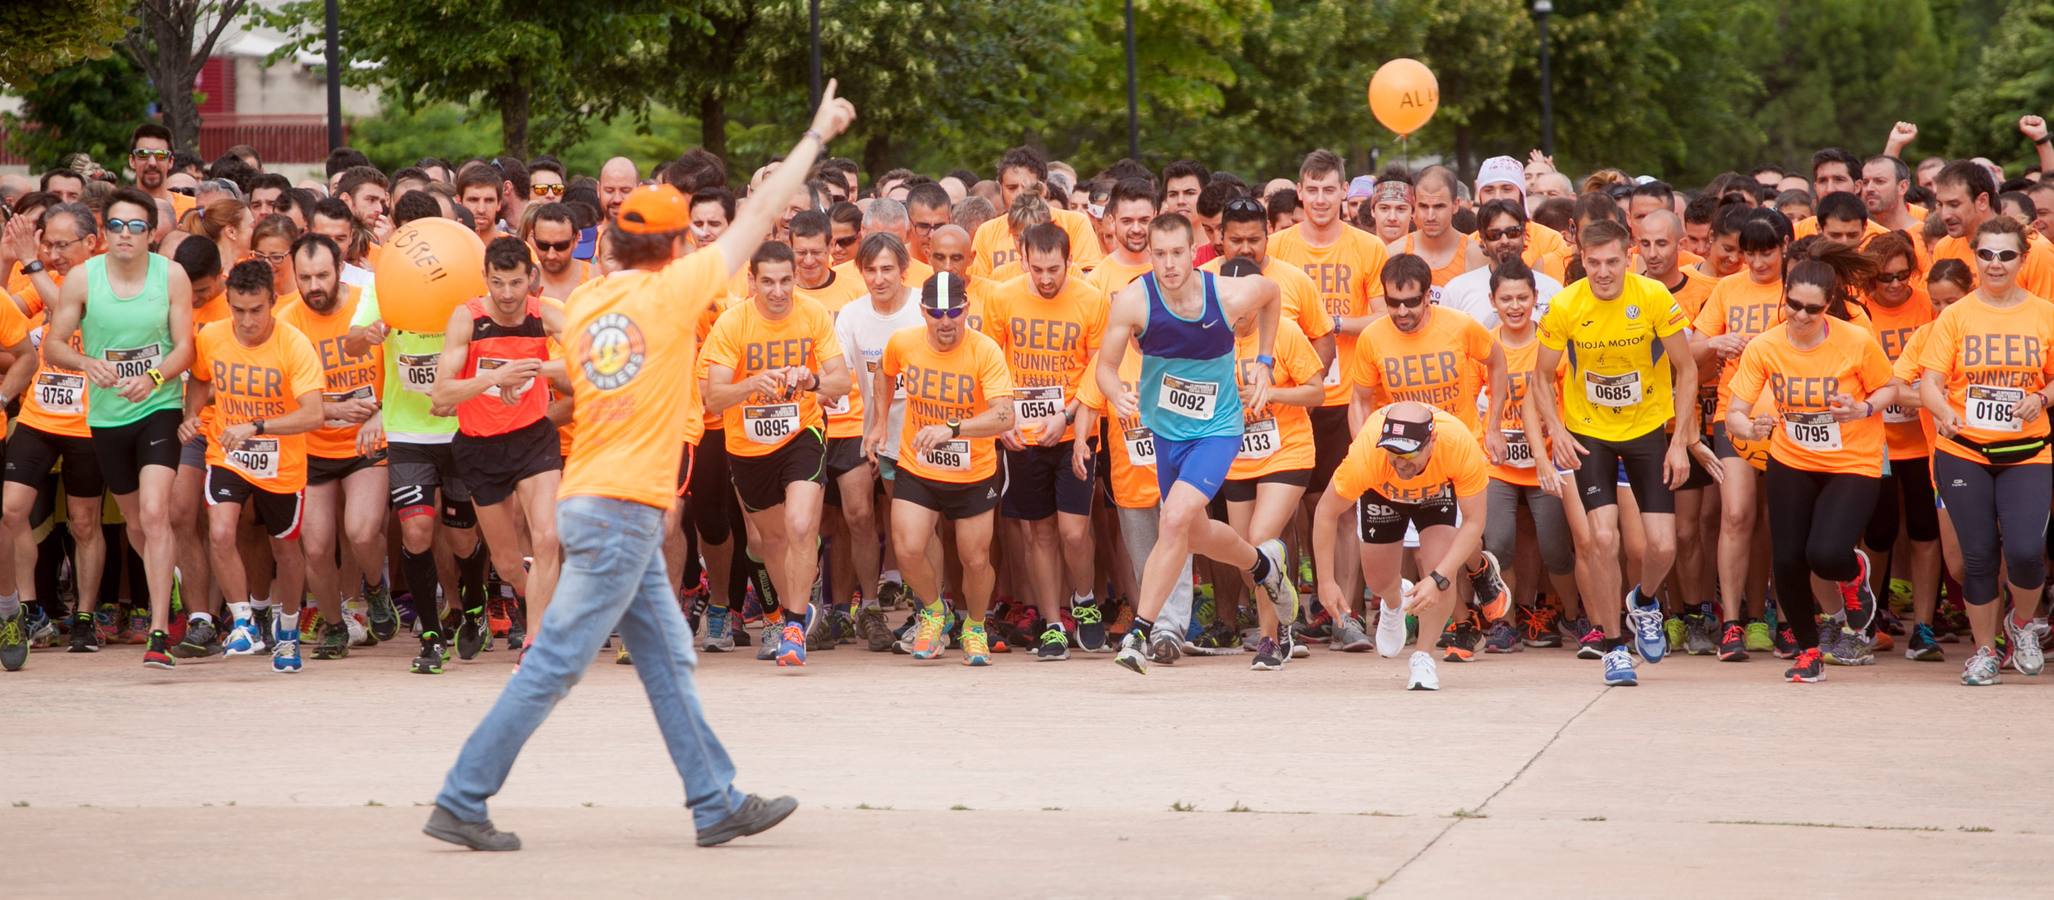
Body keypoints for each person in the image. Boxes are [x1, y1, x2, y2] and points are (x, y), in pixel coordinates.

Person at [424, 82, 854, 854]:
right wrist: (816, 134)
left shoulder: (588, 303)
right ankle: (461, 796)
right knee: (556, 663)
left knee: (668, 662)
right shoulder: (675, 291)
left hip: (596, 496)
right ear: (677, 244)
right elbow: (759, 217)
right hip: (623, 509)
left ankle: (715, 801)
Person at [1096, 212, 1297, 673]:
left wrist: (1264, 360)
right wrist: (1116, 393)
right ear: (1150, 255)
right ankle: (1265, 567)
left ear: (1194, 253)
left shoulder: (1226, 294)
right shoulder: (1133, 301)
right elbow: (1105, 367)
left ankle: (1140, 633)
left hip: (1218, 429)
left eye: (1176, 253)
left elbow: (1271, 295)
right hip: (1167, 432)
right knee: (1196, 532)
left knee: (1174, 518)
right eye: (1159, 254)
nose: (1168, 265)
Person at [1528, 219, 1698, 687]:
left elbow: (1686, 369)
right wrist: (1557, 430)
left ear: (1630, 257)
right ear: (1582, 260)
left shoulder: (1653, 298)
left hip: (1646, 428)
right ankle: (1612, 645)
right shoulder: (1565, 305)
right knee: (1603, 540)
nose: (1603, 272)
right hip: (1590, 433)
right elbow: (1540, 377)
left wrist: (1680, 440)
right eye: (1593, 262)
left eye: (1612, 262)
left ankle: (1643, 601)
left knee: (1663, 545)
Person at [1723, 244, 1894, 683]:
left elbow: (1889, 389)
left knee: (1826, 553)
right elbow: (1735, 412)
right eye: (1793, 305)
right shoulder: (1765, 346)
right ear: (1785, 297)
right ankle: (1808, 649)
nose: (1800, 316)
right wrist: (1750, 428)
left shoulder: (1855, 340)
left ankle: (1853, 574)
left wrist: (1862, 408)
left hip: (1852, 460)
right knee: (1788, 560)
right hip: (1791, 457)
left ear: (1828, 305)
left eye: (1811, 309)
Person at [40, 187, 193, 669]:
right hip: (106, 416)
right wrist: (88, 363)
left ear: (152, 233)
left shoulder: (171, 275)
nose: (126, 236)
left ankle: (158, 632)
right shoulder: (83, 278)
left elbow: (186, 348)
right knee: (134, 522)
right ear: (104, 233)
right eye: (118, 227)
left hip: (159, 406)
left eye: (137, 227)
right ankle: (165, 581)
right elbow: (54, 346)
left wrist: (152, 379)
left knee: (154, 513)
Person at [347, 204, 491, 676]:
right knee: (415, 531)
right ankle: (431, 635)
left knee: (464, 537)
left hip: (460, 428)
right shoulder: (383, 281)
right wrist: (366, 334)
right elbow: (352, 340)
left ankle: (474, 606)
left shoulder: (469, 275)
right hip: (409, 432)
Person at [1350, 253, 1513, 658]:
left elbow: (1496, 361)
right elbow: (1360, 398)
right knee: (1430, 552)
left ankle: (1476, 573)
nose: (1402, 312)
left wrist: (1492, 424)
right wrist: (1364, 448)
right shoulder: (1373, 337)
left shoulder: (1459, 326)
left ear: (1429, 298)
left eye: (1411, 302)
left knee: (1450, 542)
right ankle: (1463, 621)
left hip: (1456, 448)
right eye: (1393, 303)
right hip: (1404, 456)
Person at [1916, 216, 2054, 687]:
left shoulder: (2044, 313)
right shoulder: (1954, 316)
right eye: (1986, 254)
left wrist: (2044, 396)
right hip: (1964, 451)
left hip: (2028, 450)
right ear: (1975, 256)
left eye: (2006, 255)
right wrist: (1943, 413)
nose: (1995, 264)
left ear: (2023, 259)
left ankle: (2021, 625)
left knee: (2025, 551)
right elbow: (1930, 381)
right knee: (1976, 557)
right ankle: (1983, 651)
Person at [700, 241, 850, 667]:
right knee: (772, 542)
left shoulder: (813, 315)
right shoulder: (732, 324)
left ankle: (795, 626)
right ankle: (794, 610)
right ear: (752, 281)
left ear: (795, 279)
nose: (778, 291)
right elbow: (713, 397)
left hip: (802, 433)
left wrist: (813, 379)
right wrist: (752, 384)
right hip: (748, 447)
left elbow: (841, 383)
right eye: (768, 281)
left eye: (786, 280)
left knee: (801, 525)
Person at [179, 260, 325, 673]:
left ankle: (289, 629)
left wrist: (257, 426)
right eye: (238, 310)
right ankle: (243, 621)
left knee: (286, 549)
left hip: (282, 462)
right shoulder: (212, 336)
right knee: (222, 530)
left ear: (272, 303)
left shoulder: (294, 345)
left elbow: (313, 414)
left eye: (256, 310)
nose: (246, 321)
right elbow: (201, 378)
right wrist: (192, 413)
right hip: (228, 450)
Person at [1267, 150, 1389, 639]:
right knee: (1288, 511)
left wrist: (1329, 323)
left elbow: (1382, 316)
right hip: (1287, 397)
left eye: (1328, 190)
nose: (1319, 199)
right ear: (1300, 192)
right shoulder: (1277, 248)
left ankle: (1344, 612)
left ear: (1345, 193)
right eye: (1311, 190)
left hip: (1344, 396)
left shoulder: (1367, 248)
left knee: (1339, 507)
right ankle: (1290, 610)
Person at [432, 237, 570, 667]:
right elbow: (441, 393)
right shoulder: (467, 319)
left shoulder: (547, 315)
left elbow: (592, 364)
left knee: (548, 536)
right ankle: (549, 613)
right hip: (479, 447)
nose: (508, 294)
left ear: (531, 277)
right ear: (485, 279)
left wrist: (537, 368)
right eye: (498, 283)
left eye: (515, 283)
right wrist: (496, 377)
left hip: (532, 439)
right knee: (510, 564)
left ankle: (536, 641)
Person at [869, 271, 1011, 663]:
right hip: (920, 465)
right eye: (935, 313)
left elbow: (1005, 416)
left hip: (974, 471)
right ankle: (933, 612)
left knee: (975, 559)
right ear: (923, 311)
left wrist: (953, 429)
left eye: (953, 312)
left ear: (966, 308)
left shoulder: (985, 351)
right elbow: (885, 372)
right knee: (908, 547)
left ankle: (977, 626)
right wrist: (880, 423)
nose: (945, 321)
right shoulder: (903, 342)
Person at [983, 223, 1107, 655]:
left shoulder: (1091, 301)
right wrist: (1002, 420)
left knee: (1074, 531)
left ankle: (1085, 601)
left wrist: (1069, 414)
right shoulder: (1002, 297)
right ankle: (1053, 623)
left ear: (1069, 262)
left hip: (1074, 432)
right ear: (1023, 260)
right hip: (1023, 435)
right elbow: (991, 362)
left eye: (1054, 268)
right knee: (1037, 533)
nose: (1046, 278)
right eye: (1037, 269)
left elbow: (1098, 367)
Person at [1310, 402, 1491, 690]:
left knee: (1438, 571)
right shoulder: (1367, 453)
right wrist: (1326, 582)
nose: (1400, 462)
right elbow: (1326, 512)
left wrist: (1438, 577)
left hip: (1436, 491)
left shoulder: (1458, 443)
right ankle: (1395, 602)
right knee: (1379, 581)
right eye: (1393, 452)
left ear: (1431, 441)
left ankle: (1423, 656)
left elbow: (1474, 522)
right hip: (1382, 493)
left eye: (1409, 454)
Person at [276, 232, 391, 660]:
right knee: (318, 546)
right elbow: (282, 397)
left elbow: (400, 370)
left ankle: (376, 590)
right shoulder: (284, 320)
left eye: (322, 275)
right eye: (304, 277)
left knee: (361, 532)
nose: (313, 286)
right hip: (311, 447)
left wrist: (380, 412)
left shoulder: (370, 305)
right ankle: (334, 624)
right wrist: (332, 410)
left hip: (366, 442)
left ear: (341, 269)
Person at [1692, 208, 1791, 659]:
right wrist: (1715, 343)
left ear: (1785, 247)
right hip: (1734, 413)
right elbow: (1691, 348)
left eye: (1766, 252)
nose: (1756, 263)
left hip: (1790, 417)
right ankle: (1732, 621)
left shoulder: (1799, 288)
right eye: (1749, 253)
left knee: (1780, 520)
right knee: (1736, 515)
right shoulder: (1727, 289)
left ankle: (1775, 617)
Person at [1479, 261, 1584, 653]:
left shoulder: (1551, 343)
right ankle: (1504, 624)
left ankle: (1572, 614)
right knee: (1500, 543)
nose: (1515, 305)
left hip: (1548, 459)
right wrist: (1487, 434)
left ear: (1537, 299)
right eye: (1506, 298)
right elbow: (1475, 398)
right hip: (1499, 463)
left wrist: (1554, 429)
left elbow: (1569, 395)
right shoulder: (1484, 345)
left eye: (1523, 297)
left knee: (1557, 547)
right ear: (1493, 301)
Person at [839, 233, 926, 650]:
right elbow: (843, 377)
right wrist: (869, 432)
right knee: (865, 517)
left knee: (915, 528)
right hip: (871, 435)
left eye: (887, 268)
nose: (879, 278)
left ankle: (929, 609)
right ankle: (869, 606)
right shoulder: (852, 317)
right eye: (870, 269)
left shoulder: (921, 309)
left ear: (903, 269)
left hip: (921, 439)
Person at [1439, 199, 1564, 327]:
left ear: (1524, 235)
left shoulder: (1552, 289)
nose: (1504, 240)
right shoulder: (1457, 290)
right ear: (1482, 239)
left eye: (1512, 232)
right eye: (1494, 235)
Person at [1387, 167, 1487, 300]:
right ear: (1414, 204)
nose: (1430, 216)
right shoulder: (1394, 252)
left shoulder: (1476, 255)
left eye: (1439, 206)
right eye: (1423, 206)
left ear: (1456, 205)